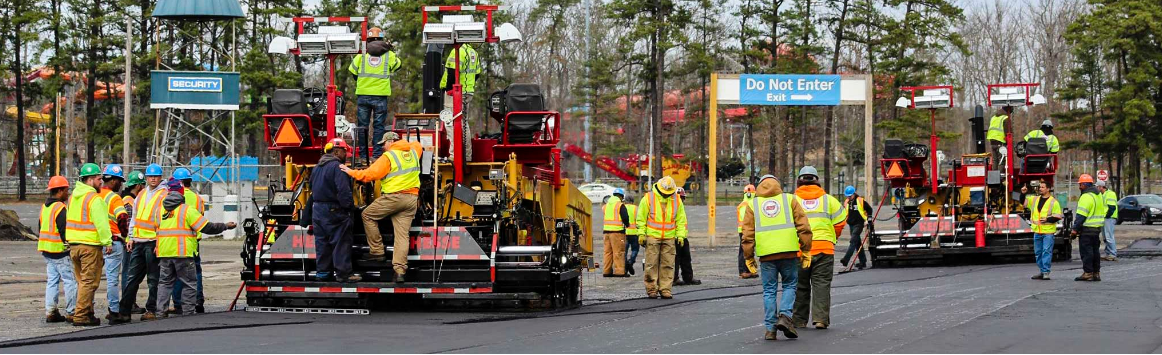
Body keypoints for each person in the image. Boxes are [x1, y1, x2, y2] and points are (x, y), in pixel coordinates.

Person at [342, 132, 423, 283]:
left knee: (367, 215)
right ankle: (399, 272)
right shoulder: (413, 151)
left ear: (391, 141)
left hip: (393, 198)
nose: (383, 147)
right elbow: (417, 145)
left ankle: (377, 251)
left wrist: (351, 172)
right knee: (402, 236)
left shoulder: (389, 157)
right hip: (411, 199)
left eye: (384, 144)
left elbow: (369, 175)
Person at [742, 174, 813, 340]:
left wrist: (748, 257)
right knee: (789, 285)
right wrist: (806, 249)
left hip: (766, 255)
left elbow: (747, 234)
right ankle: (785, 316)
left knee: (769, 291)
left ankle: (770, 330)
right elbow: (804, 226)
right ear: (777, 185)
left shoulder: (753, 204)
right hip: (789, 253)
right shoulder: (790, 200)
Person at [153, 179, 235, 318]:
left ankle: (161, 312)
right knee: (189, 283)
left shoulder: (159, 210)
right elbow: (207, 227)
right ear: (181, 193)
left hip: (164, 253)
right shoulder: (186, 210)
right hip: (183, 253)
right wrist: (226, 226)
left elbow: (157, 230)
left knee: (164, 284)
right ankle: (188, 314)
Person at [791, 166, 846, 330]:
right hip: (824, 248)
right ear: (817, 181)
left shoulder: (791, 201)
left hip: (799, 248)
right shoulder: (829, 200)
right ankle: (820, 319)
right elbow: (840, 221)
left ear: (799, 181)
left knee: (800, 285)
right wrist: (832, 238)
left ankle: (799, 320)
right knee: (821, 284)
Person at [67, 163, 113, 326]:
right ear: (90, 180)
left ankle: (88, 312)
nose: (102, 182)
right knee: (89, 282)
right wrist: (107, 241)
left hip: (74, 245)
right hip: (89, 246)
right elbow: (101, 223)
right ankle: (80, 316)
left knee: (82, 281)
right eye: (99, 179)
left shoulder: (73, 197)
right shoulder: (94, 199)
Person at [120, 163, 168, 321]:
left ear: (160, 177)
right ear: (146, 178)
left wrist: (160, 242)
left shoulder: (164, 195)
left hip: (153, 241)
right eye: (150, 176)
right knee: (132, 277)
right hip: (139, 242)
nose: (153, 179)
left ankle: (151, 309)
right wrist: (130, 237)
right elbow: (134, 218)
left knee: (153, 278)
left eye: (156, 176)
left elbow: (164, 222)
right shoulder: (140, 195)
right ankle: (124, 311)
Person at [349, 27, 402, 163]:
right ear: (381, 39)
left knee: (362, 127)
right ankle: (376, 155)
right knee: (379, 126)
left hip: (363, 95)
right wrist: (390, 50)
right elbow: (398, 65)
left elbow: (353, 72)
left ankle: (363, 156)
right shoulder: (388, 55)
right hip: (380, 96)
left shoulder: (362, 55)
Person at [312, 138, 360, 282]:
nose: (346, 156)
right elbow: (344, 192)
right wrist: (351, 208)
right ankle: (344, 274)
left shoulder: (317, 167)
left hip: (318, 210)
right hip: (334, 210)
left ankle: (322, 273)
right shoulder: (337, 168)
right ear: (337, 151)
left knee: (322, 243)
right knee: (340, 241)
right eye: (345, 152)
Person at [635, 176, 687, 299]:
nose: (666, 195)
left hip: (669, 237)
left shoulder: (676, 200)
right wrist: (641, 234)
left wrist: (681, 235)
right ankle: (651, 289)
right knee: (651, 264)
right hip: (652, 236)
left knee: (668, 264)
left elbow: (681, 220)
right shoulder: (648, 198)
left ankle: (665, 289)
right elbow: (641, 218)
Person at [95, 164, 130, 324]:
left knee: (90, 279)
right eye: (120, 181)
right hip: (113, 242)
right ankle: (114, 311)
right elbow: (122, 217)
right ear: (114, 181)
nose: (121, 184)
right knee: (112, 279)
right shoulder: (114, 198)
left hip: (95, 242)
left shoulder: (95, 195)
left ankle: (85, 309)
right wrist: (124, 235)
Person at [168, 168, 206, 314]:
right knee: (196, 271)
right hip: (194, 240)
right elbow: (201, 217)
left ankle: (178, 303)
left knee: (177, 272)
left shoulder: (172, 196)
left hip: (177, 239)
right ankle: (198, 300)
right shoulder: (197, 198)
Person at [39, 175, 76, 323]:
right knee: (70, 281)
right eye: (66, 190)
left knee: (52, 281)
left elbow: (41, 228)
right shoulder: (60, 208)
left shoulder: (44, 207)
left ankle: (51, 311)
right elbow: (64, 231)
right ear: (60, 191)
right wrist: (70, 246)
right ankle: (72, 312)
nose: (68, 193)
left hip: (47, 250)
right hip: (60, 251)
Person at [439, 43, 480, 161]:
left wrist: (448, 89)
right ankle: (467, 156)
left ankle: (454, 155)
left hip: (456, 92)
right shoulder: (473, 52)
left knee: (450, 122)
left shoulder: (457, 51)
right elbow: (477, 74)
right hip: (468, 92)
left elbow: (452, 72)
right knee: (463, 123)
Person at [119, 171, 146, 315]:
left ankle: (128, 302)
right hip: (130, 242)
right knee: (129, 273)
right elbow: (130, 222)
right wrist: (131, 239)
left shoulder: (125, 198)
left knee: (128, 272)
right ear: (138, 186)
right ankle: (128, 302)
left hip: (126, 241)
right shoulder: (130, 201)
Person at [1071, 174, 1106, 282]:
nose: (1079, 187)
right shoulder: (1098, 195)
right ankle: (1096, 273)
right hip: (1096, 228)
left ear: (1084, 185)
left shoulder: (1086, 196)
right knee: (1095, 252)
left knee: (1087, 252)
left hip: (1087, 228)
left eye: (1080, 184)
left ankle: (1088, 273)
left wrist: (1074, 229)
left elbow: (1081, 215)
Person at [1029, 181, 1063, 280]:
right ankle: (1042, 271)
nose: (1040, 189)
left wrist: (1047, 220)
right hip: (1037, 231)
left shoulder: (1053, 202)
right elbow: (1024, 202)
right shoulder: (1035, 200)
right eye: (1040, 187)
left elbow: (1058, 216)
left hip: (1048, 232)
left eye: (1043, 187)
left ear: (1048, 189)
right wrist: (1023, 193)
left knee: (1046, 251)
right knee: (1038, 252)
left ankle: (1046, 272)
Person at [839, 185, 873, 270]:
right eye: (847, 195)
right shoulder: (847, 202)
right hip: (851, 224)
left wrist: (868, 220)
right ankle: (863, 261)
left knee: (853, 241)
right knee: (857, 243)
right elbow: (845, 212)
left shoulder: (860, 200)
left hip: (859, 224)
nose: (848, 197)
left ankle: (845, 260)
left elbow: (869, 209)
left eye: (850, 195)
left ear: (854, 194)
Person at [672, 187, 700, 286]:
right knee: (675, 259)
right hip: (674, 237)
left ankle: (688, 278)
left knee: (686, 258)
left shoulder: (680, 208)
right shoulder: (672, 208)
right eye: (680, 197)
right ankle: (674, 278)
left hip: (682, 237)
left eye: (682, 198)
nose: (681, 200)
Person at [601, 188, 631, 277]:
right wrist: (627, 224)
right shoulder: (620, 205)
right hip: (617, 232)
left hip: (606, 232)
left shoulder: (606, 206)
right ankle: (619, 271)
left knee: (607, 252)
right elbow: (625, 217)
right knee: (618, 252)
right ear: (621, 196)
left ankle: (607, 271)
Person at [737, 184, 758, 279]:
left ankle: (749, 270)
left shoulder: (744, 204)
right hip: (746, 230)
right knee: (745, 250)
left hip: (744, 230)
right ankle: (744, 270)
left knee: (748, 250)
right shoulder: (751, 205)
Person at [1097, 180, 1118, 261]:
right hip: (1105, 218)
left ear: (1101, 187)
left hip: (1109, 218)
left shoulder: (1110, 194)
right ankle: (1108, 253)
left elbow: (1112, 207)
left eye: (1097, 186)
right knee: (1106, 237)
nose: (1096, 188)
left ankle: (1112, 254)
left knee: (1109, 236)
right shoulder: (1102, 194)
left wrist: (1107, 216)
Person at [623, 196, 640, 276]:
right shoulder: (636, 208)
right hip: (634, 233)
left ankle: (625, 266)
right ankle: (631, 262)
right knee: (635, 249)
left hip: (624, 233)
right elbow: (639, 220)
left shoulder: (622, 207)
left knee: (624, 251)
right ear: (632, 201)